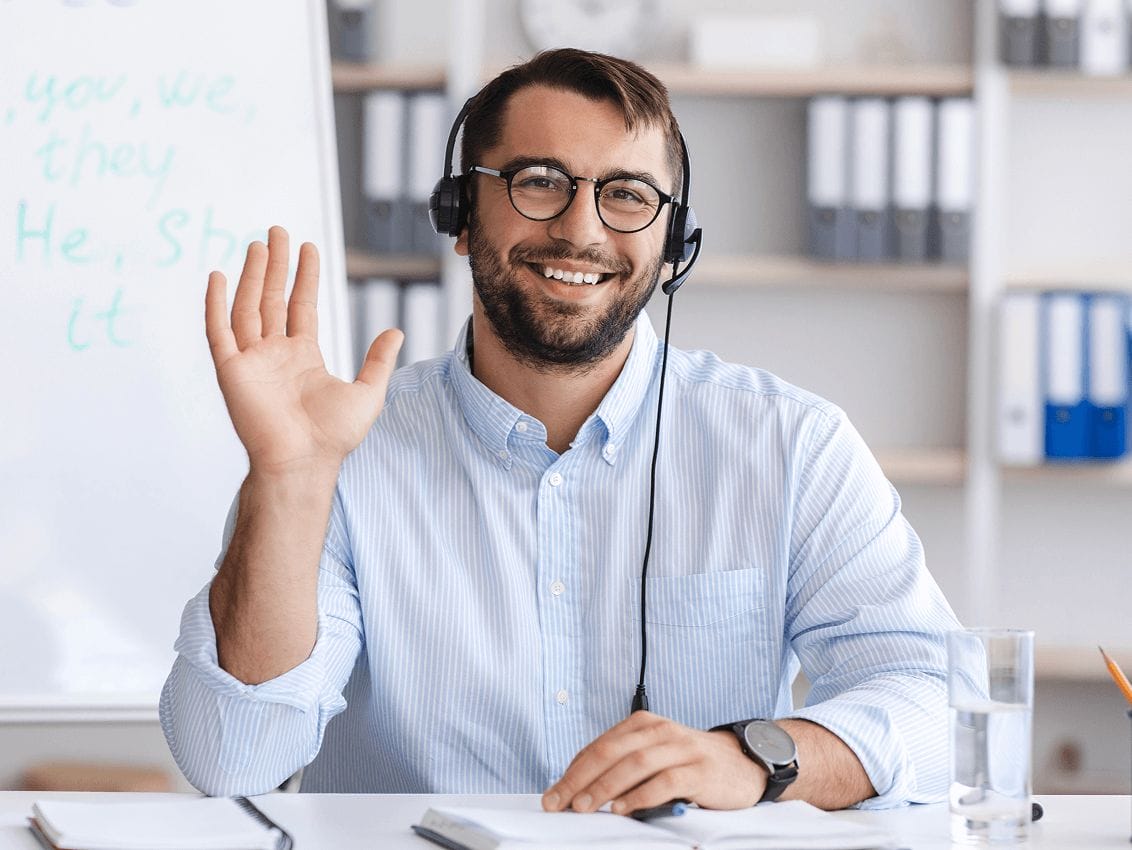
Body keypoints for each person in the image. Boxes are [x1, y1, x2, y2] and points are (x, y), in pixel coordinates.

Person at [161, 48, 960, 813]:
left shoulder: (791, 447)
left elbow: (935, 703)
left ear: (671, 242)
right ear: (461, 216)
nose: (581, 229)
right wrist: (291, 481)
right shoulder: (339, 455)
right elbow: (236, 761)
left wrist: (752, 758)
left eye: (627, 195)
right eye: (539, 181)